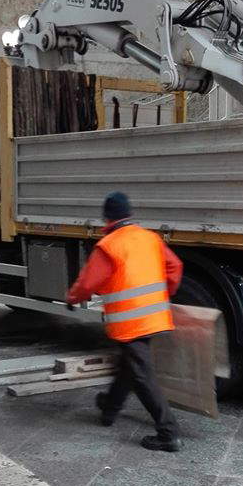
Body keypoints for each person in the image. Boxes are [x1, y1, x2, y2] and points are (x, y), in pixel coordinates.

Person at [66, 191, 184, 452]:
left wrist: (73, 297)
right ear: (129, 214)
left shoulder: (109, 245)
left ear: (107, 217)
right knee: (130, 364)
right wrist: (165, 292)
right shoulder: (150, 238)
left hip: (130, 321)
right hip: (154, 315)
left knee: (141, 373)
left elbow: (87, 282)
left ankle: (168, 433)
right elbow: (175, 267)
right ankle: (110, 407)